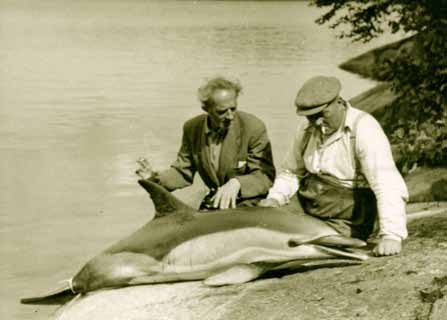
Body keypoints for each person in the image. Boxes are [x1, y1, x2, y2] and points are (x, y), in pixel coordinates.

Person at [259, 76, 408, 257]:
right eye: (311, 117)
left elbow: (386, 183)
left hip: (346, 217)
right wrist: (275, 198)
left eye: (322, 115)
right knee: (263, 227)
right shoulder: (306, 129)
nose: (317, 123)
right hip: (308, 202)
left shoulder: (364, 128)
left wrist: (391, 236)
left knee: (296, 246)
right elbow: (291, 172)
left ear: (339, 102)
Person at [136, 77, 275, 210]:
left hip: (248, 202)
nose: (230, 116)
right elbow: (182, 172)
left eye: (233, 109)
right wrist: (154, 178)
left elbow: (265, 176)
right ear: (206, 109)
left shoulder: (253, 127)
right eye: (222, 112)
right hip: (215, 201)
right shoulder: (192, 128)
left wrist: (237, 183)